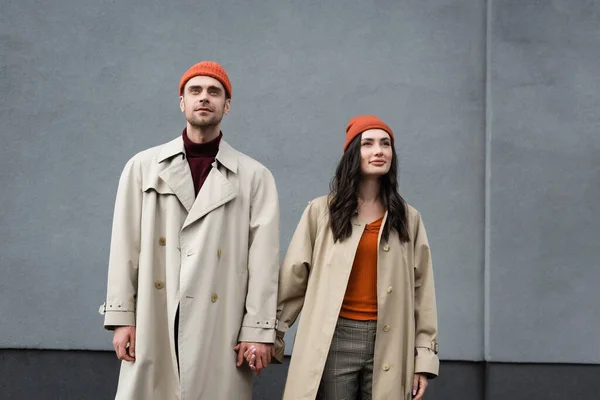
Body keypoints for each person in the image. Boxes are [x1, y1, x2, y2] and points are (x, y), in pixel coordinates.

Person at [100, 61, 280, 400]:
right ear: (181, 101)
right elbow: (126, 246)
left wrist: (258, 330)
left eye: (214, 92)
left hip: (219, 323)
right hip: (156, 313)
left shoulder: (255, 176)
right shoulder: (142, 167)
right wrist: (122, 317)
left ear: (227, 105)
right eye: (195, 91)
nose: (204, 98)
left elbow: (264, 263)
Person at [271, 115, 439, 399]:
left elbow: (422, 294)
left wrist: (423, 358)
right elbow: (294, 278)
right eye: (368, 144)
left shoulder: (409, 219)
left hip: (390, 340)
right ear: (352, 154)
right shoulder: (321, 211)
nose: (379, 151)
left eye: (385, 144)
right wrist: (270, 334)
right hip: (335, 338)